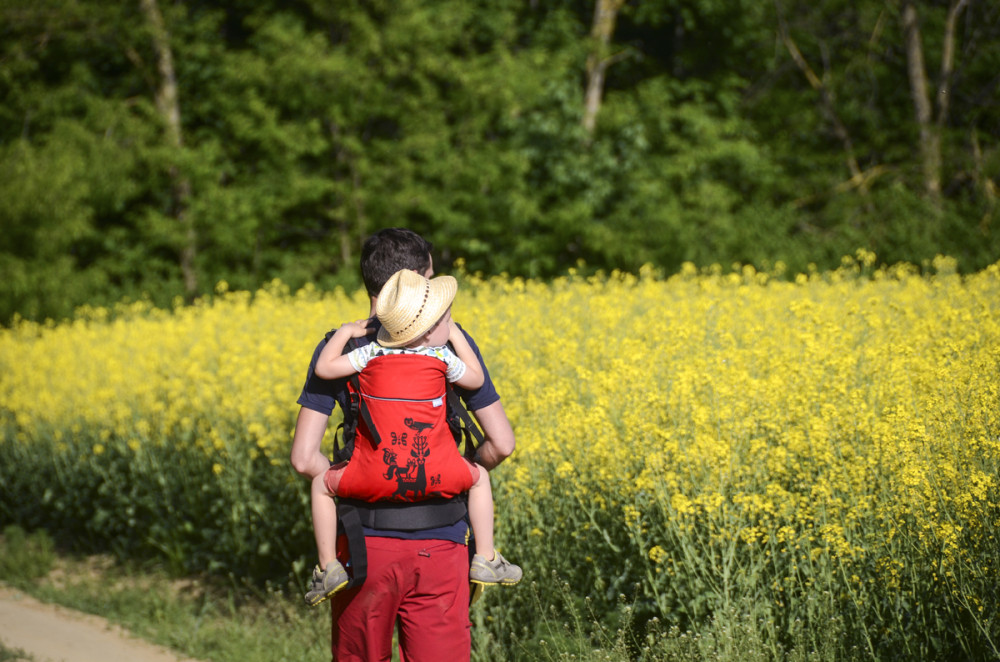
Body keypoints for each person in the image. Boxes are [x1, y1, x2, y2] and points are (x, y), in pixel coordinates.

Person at [290, 228, 516, 662]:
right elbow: (501, 443)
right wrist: (450, 467)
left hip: (362, 545)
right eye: (429, 279)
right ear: (413, 282)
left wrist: (354, 478)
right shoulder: (446, 340)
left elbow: (303, 458)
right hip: (443, 541)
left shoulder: (345, 345)